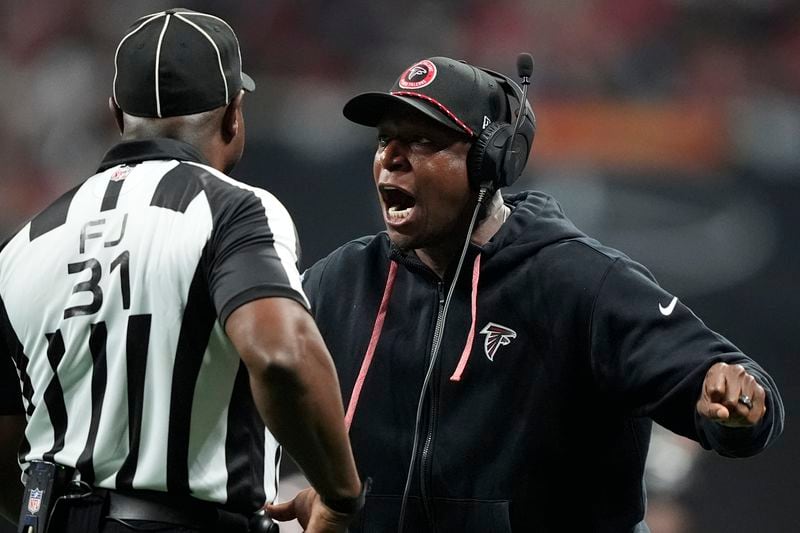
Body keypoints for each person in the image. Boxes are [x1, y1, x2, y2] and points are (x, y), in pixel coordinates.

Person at [268, 56, 785, 532]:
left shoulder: (580, 282)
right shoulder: (342, 279)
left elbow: (728, 388)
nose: (391, 159)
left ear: (491, 162)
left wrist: (740, 409)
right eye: (385, 140)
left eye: (424, 142)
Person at [0, 8, 364, 533]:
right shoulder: (232, 209)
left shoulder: (23, 243)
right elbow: (282, 356)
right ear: (234, 113)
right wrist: (340, 495)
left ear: (116, 114)